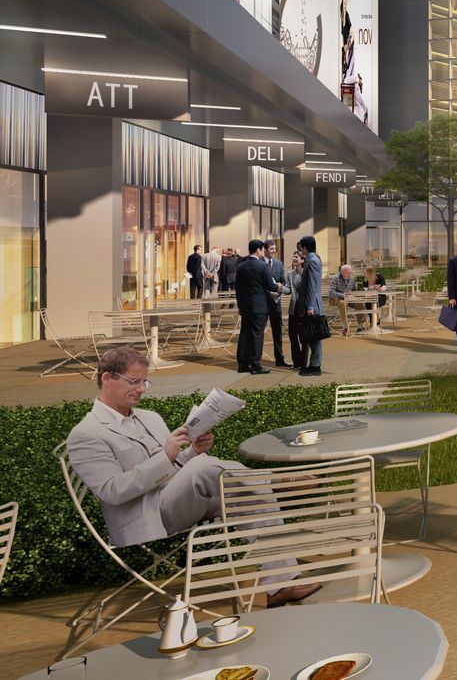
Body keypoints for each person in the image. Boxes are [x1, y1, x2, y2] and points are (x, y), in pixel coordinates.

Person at [65, 347, 321, 604]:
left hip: (175, 499)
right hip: (143, 516)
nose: (141, 389)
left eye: (144, 381)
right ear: (107, 379)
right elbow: (112, 492)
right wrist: (167, 457)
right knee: (207, 468)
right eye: (134, 382)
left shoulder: (149, 417)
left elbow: (172, 469)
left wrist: (191, 452)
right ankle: (274, 481)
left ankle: (280, 584)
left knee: (244, 490)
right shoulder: (86, 434)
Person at [233, 240, 278, 375]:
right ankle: (256, 365)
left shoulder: (241, 266)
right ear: (258, 250)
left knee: (245, 334)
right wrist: (279, 287)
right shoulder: (263, 266)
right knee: (257, 335)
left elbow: (238, 289)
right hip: (259, 306)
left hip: (245, 306)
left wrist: (240, 306)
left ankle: (242, 364)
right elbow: (271, 286)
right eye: (262, 250)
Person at [291, 237, 326, 376]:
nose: (300, 249)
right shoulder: (313, 259)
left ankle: (315, 366)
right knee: (312, 336)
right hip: (311, 303)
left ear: (305, 247)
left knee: (314, 336)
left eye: (301, 247)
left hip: (311, 305)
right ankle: (313, 365)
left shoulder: (311, 261)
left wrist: (310, 306)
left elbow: (312, 285)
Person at [266, 247, 290, 367]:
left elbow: (283, 281)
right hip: (263, 303)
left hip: (276, 303)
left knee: (277, 332)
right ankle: (255, 360)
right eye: (271, 249)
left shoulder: (279, 264)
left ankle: (279, 359)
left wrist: (279, 290)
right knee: (259, 332)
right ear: (265, 250)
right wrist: (268, 293)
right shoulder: (259, 263)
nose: (274, 251)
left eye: (275, 249)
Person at [328, 264, 357, 336]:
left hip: (349, 299)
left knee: (360, 304)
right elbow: (331, 292)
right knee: (343, 303)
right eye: (349, 272)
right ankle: (345, 327)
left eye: (350, 272)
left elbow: (354, 290)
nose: (350, 274)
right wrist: (343, 295)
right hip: (335, 299)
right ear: (342, 272)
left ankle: (360, 326)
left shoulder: (352, 279)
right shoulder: (335, 278)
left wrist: (354, 295)